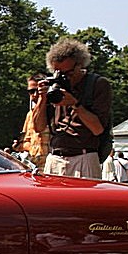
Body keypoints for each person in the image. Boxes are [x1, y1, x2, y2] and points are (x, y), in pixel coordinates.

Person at [38, 37, 112, 179]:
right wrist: (42, 99)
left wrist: (75, 104)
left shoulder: (97, 85)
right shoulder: (54, 87)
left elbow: (98, 129)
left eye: (67, 73)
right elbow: (39, 127)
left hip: (84, 157)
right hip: (55, 158)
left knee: (85, 201)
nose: (63, 78)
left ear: (80, 66)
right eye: (57, 73)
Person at [13, 73, 51, 168]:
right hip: (34, 167)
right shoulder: (30, 114)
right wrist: (19, 146)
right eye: (30, 92)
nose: (34, 95)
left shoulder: (56, 110)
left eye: (37, 90)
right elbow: (26, 141)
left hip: (50, 166)